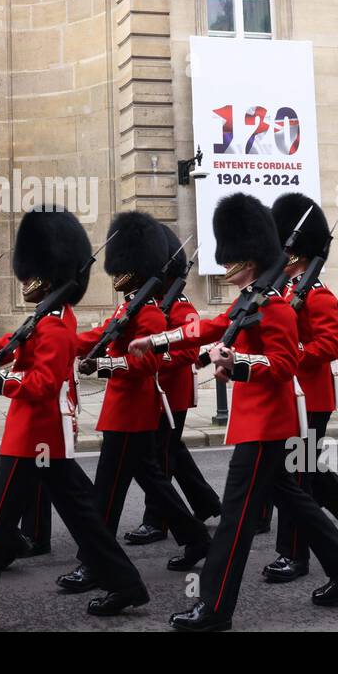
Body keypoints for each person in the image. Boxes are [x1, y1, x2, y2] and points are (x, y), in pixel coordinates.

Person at [128, 194, 338, 632]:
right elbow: (212, 326)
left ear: (253, 259)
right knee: (299, 499)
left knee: (236, 522)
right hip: (255, 421)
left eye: (233, 259)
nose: (226, 266)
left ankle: (215, 607)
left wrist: (236, 365)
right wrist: (159, 342)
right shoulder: (254, 297)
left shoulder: (275, 305)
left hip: (267, 424)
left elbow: (284, 365)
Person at [0, 208, 149, 632]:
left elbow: (41, 383)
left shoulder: (55, 325)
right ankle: (128, 584)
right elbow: (6, 343)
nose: (23, 282)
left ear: (46, 275)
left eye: (28, 275)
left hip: (34, 436)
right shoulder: (48, 318)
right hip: (43, 435)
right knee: (83, 516)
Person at [60, 210, 210, 592]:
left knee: (106, 492)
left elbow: (151, 361)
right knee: (155, 480)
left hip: (134, 409)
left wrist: (107, 365)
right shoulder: (131, 305)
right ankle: (195, 536)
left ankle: (95, 564)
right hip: (125, 409)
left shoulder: (150, 314)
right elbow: (100, 333)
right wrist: (62, 343)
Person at [261, 193, 338, 584]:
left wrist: (289, 353)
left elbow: (330, 346)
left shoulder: (318, 295)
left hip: (309, 398)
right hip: (285, 395)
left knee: (295, 474)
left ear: (296, 254)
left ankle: (293, 555)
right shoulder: (280, 291)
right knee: (306, 469)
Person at [124, 222, 221, 546]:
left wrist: (153, 359)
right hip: (154, 394)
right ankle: (206, 503)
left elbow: (189, 354)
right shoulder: (151, 304)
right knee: (172, 452)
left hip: (172, 395)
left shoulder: (183, 308)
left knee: (160, 458)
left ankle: (158, 521)